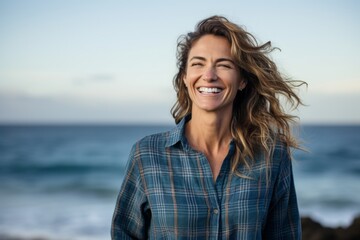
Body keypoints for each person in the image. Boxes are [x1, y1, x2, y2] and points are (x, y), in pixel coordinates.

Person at [111, 15, 306, 239]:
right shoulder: (146, 155)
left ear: (242, 80)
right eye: (198, 64)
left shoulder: (272, 155)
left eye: (223, 65)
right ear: (185, 77)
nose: (209, 75)